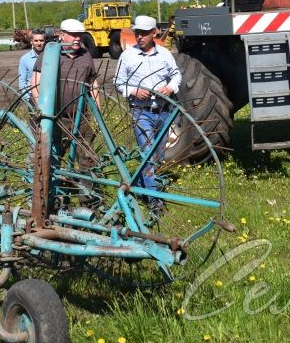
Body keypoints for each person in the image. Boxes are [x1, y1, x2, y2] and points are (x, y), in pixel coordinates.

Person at [113, 15, 182, 205]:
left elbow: (176, 75)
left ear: (154, 33)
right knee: (148, 155)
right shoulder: (127, 56)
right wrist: (133, 91)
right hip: (140, 112)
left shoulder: (165, 54)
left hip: (163, 111)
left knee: (159, 156)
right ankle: (155, 201)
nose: (139, 37)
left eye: (144, 33)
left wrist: (170, 88)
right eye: (137, 33)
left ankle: (142, 187)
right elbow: (118, 83)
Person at [30, 19, 100, 177]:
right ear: (62, 35)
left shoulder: (85, 55)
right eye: (73, 35)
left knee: (86, 157)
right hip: (56, 117)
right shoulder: (50, 55)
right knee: (54, 157)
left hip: (81, 116)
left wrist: (97, 112)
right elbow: (35, 84)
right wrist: (43, 112)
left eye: (79, 35)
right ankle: (59, 196)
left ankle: (87, 196)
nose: (77, 38)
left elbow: (93, 83)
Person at [18, 29, 46, 104]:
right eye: (36, 40)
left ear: (45, 41)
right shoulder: (25, 59)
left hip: (48, 95)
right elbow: (22, 81)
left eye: (41, 40)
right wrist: (28, 99)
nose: (39, 43)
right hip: (32, 96)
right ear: (31, 41)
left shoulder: (49, 57)